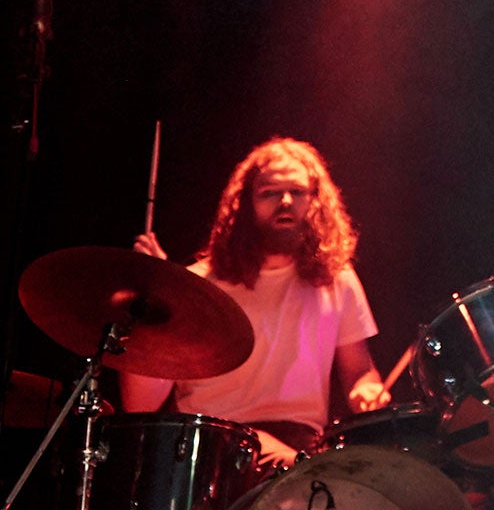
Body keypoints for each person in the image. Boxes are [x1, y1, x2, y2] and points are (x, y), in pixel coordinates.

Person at [120, 136, 388, 470]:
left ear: (316, 201)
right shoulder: (198, 286)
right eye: (269, 193)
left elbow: (359, 371)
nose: (286, 201)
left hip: (299, 447)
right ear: (245, 204)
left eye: (298, 191)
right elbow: (139, 404)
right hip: (212, 445)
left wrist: (368, 391)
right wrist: (157, 296)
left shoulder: (336, 279)